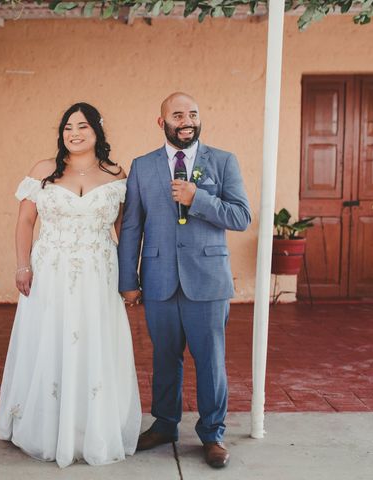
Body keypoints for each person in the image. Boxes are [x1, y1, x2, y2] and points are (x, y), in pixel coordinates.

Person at [0, 103, 142, 468]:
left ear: (97, 131)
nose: (74, 133)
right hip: (51, 269)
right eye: (67, 127)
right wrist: (22, 265)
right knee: (50, 339)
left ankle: (90, 428)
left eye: (82, 126)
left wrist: (130, 276)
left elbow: (124, 229)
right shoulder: (43, 170)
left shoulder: (115, 173)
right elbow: (25, 222)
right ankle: (45, 428)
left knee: (95, 342)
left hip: (99, 270)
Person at [118, 92, 251, 468]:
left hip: (207, 280)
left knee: (210, 360)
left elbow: (242, 216)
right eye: (178, 115)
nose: (187, 120)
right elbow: (132, 226)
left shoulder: (222, 161)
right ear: (162, 123)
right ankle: (164, 424)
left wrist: (198, 199)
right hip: (159, 278)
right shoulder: (142, 166)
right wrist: (128, 278)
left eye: (192, 113)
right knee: (163, 357)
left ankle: (213, 434)